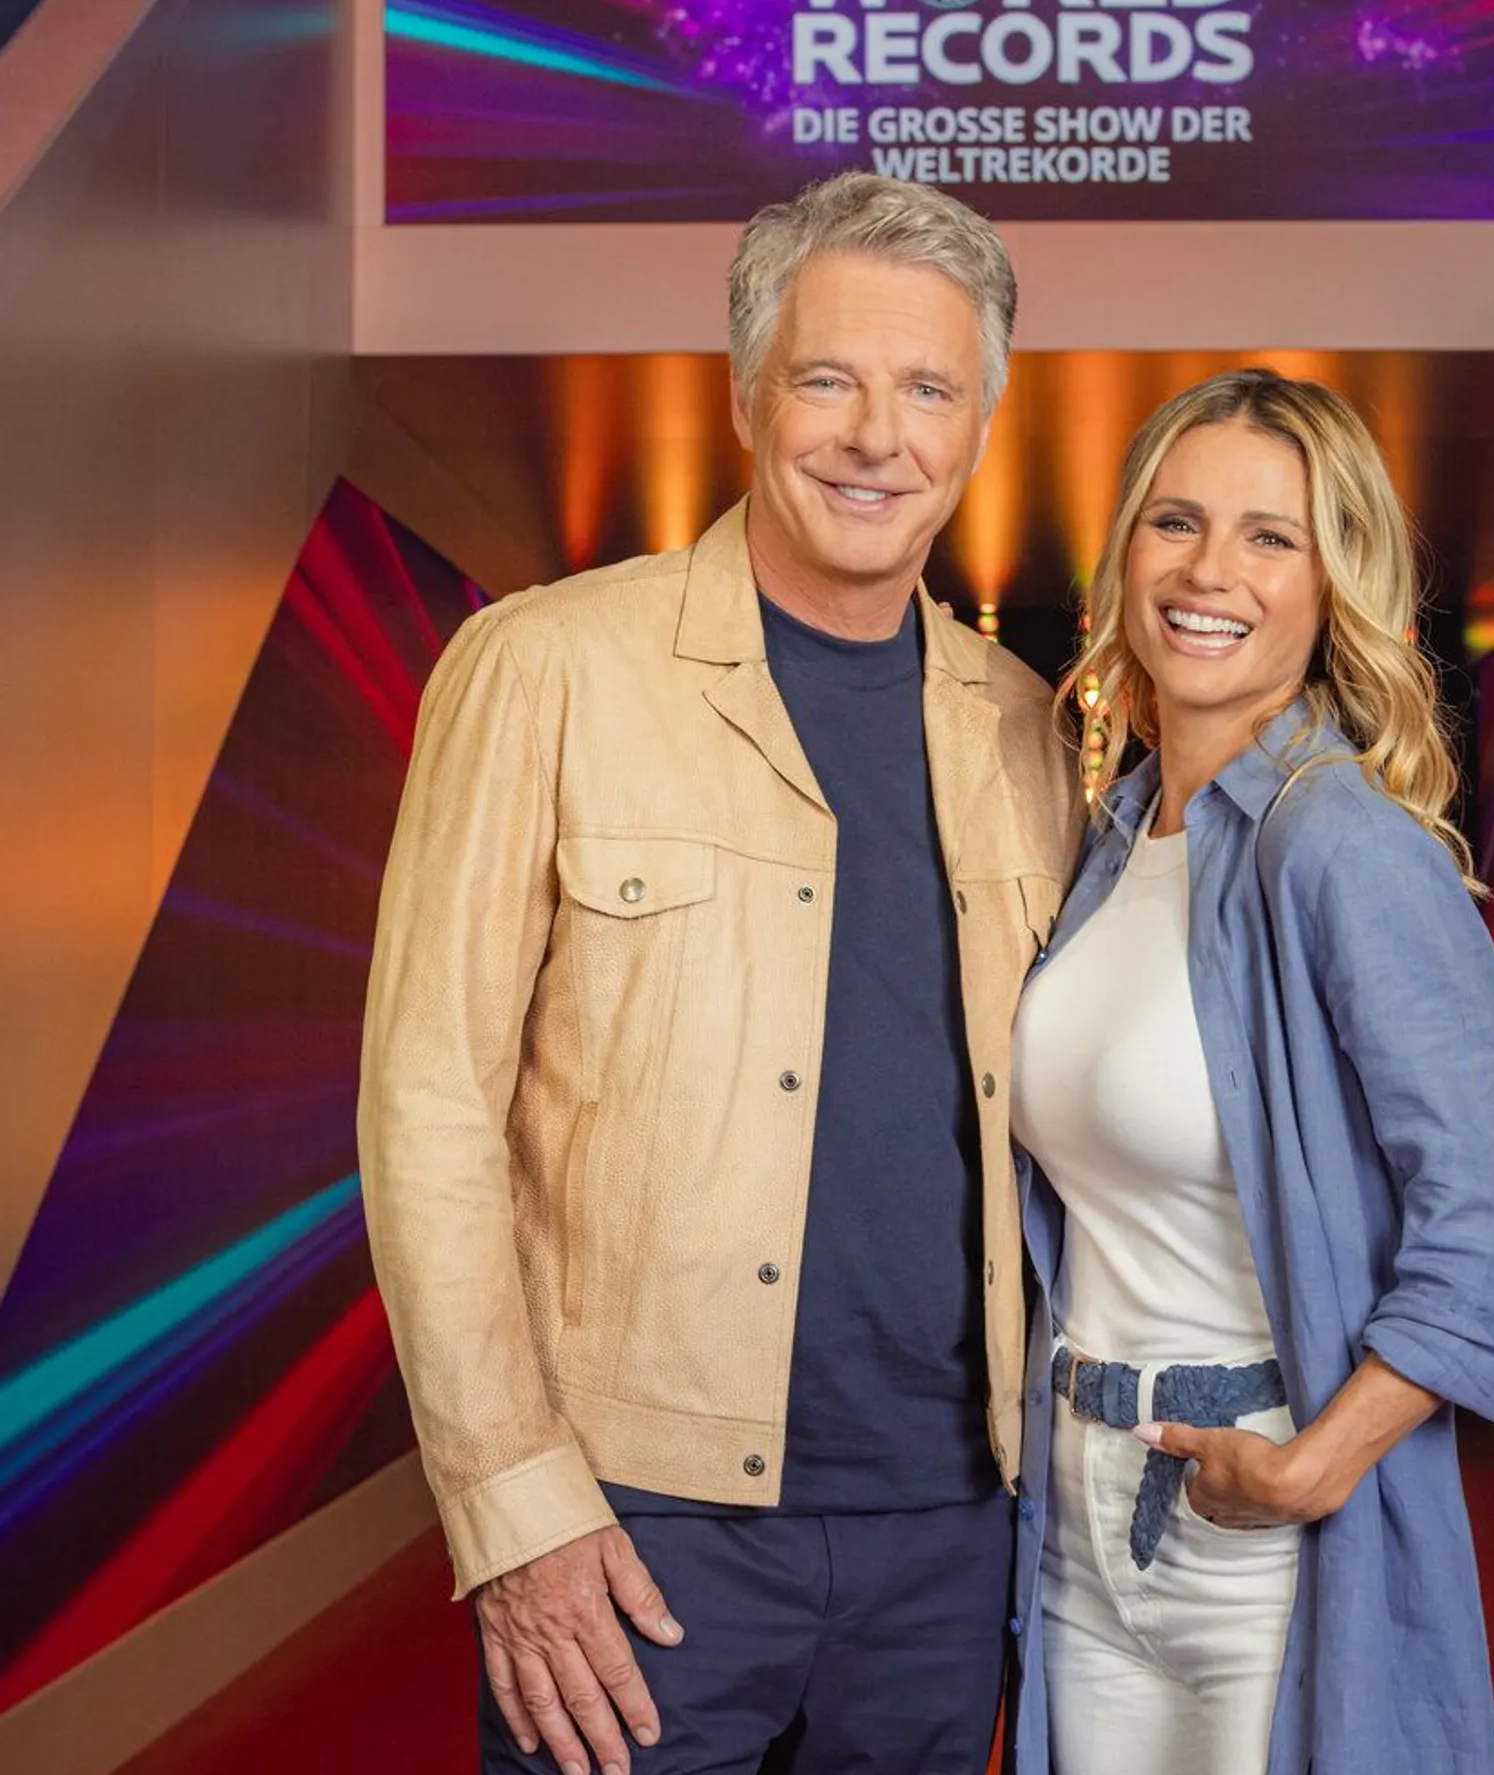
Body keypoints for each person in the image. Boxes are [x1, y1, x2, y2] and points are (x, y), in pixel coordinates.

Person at [358, 173, 1080, 1775]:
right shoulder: (544, 667)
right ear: (747, 397)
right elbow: (428, 1112)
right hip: (633, 1526)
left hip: (950, 1534)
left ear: (979, 427)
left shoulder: (1030, 731)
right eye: (828, 379)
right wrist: (513, 1504)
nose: (876, 436)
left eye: (929, 390)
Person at [1008, 368, 1494, 1775]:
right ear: (1125, 551)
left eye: (1272, 537)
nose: (1210, 572)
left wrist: (1314, 1466)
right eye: (1176, 522)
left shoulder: (1342, 846)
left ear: (1334, 585)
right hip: (1075, 1507)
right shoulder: (1113, 842)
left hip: (1256, 1520)